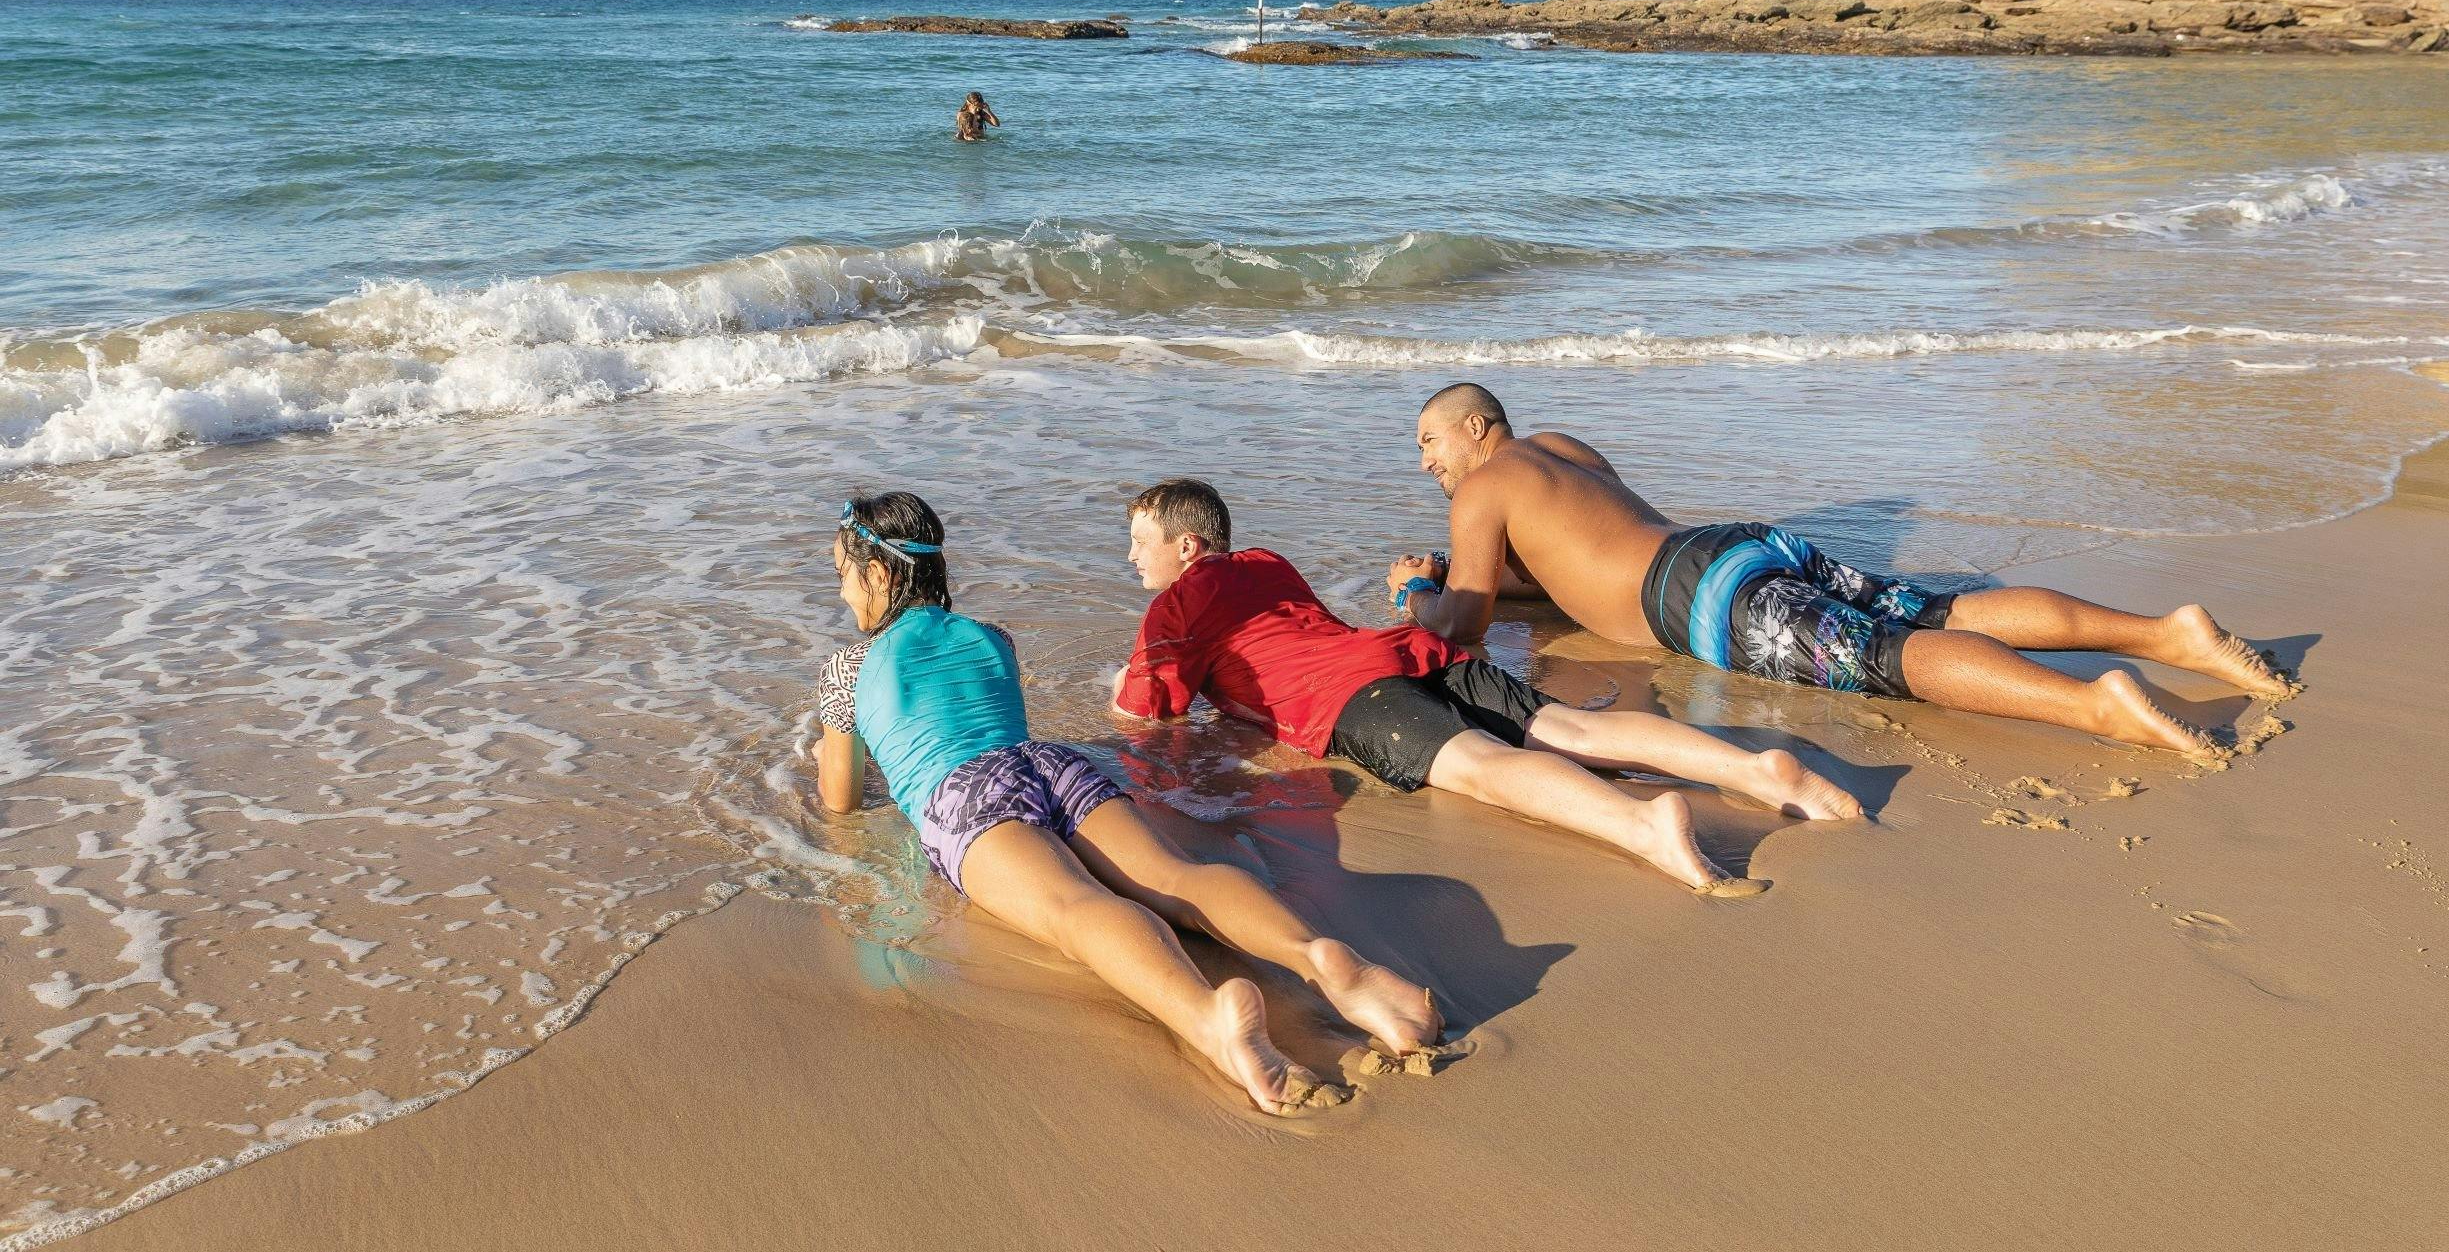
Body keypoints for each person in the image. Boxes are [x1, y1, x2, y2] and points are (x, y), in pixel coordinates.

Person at [808, 491, 1438, 1116]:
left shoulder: (847, 668)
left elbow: (839, 801)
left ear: (882, 572)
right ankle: (1322, 958)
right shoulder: (990, 637)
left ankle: (1208, 1019)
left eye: (844, 573)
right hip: (1051, 766)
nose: (842, 591)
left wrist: (820, 760)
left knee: (1075, 905)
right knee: (1173, 876)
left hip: (963, 794)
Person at [1387, 383, 2299, 760]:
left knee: (1891, 659)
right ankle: (2163, 632)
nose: (1427, 462)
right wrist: (1491, 584)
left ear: (1474, 426)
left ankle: (2093, 703)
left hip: (1702, 599)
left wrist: (1415, 592)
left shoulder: (1483, 489)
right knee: (1938, 610)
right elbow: (1573, 570)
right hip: (1734, 546)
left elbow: (1460, 627)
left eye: (1429, 441)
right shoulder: (1560, 447)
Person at [1113, 479, 1860, 897]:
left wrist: (1125, 678)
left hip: (1348, 697)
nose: (1130, 556)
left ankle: (1642, 826)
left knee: (1478, 766)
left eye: (1140, 541)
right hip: (1409, 649)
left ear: (1186, 545)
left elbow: (1146, 713)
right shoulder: (1264, 560)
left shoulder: (1174, 604)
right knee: (1570, 727)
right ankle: (1752, 769)